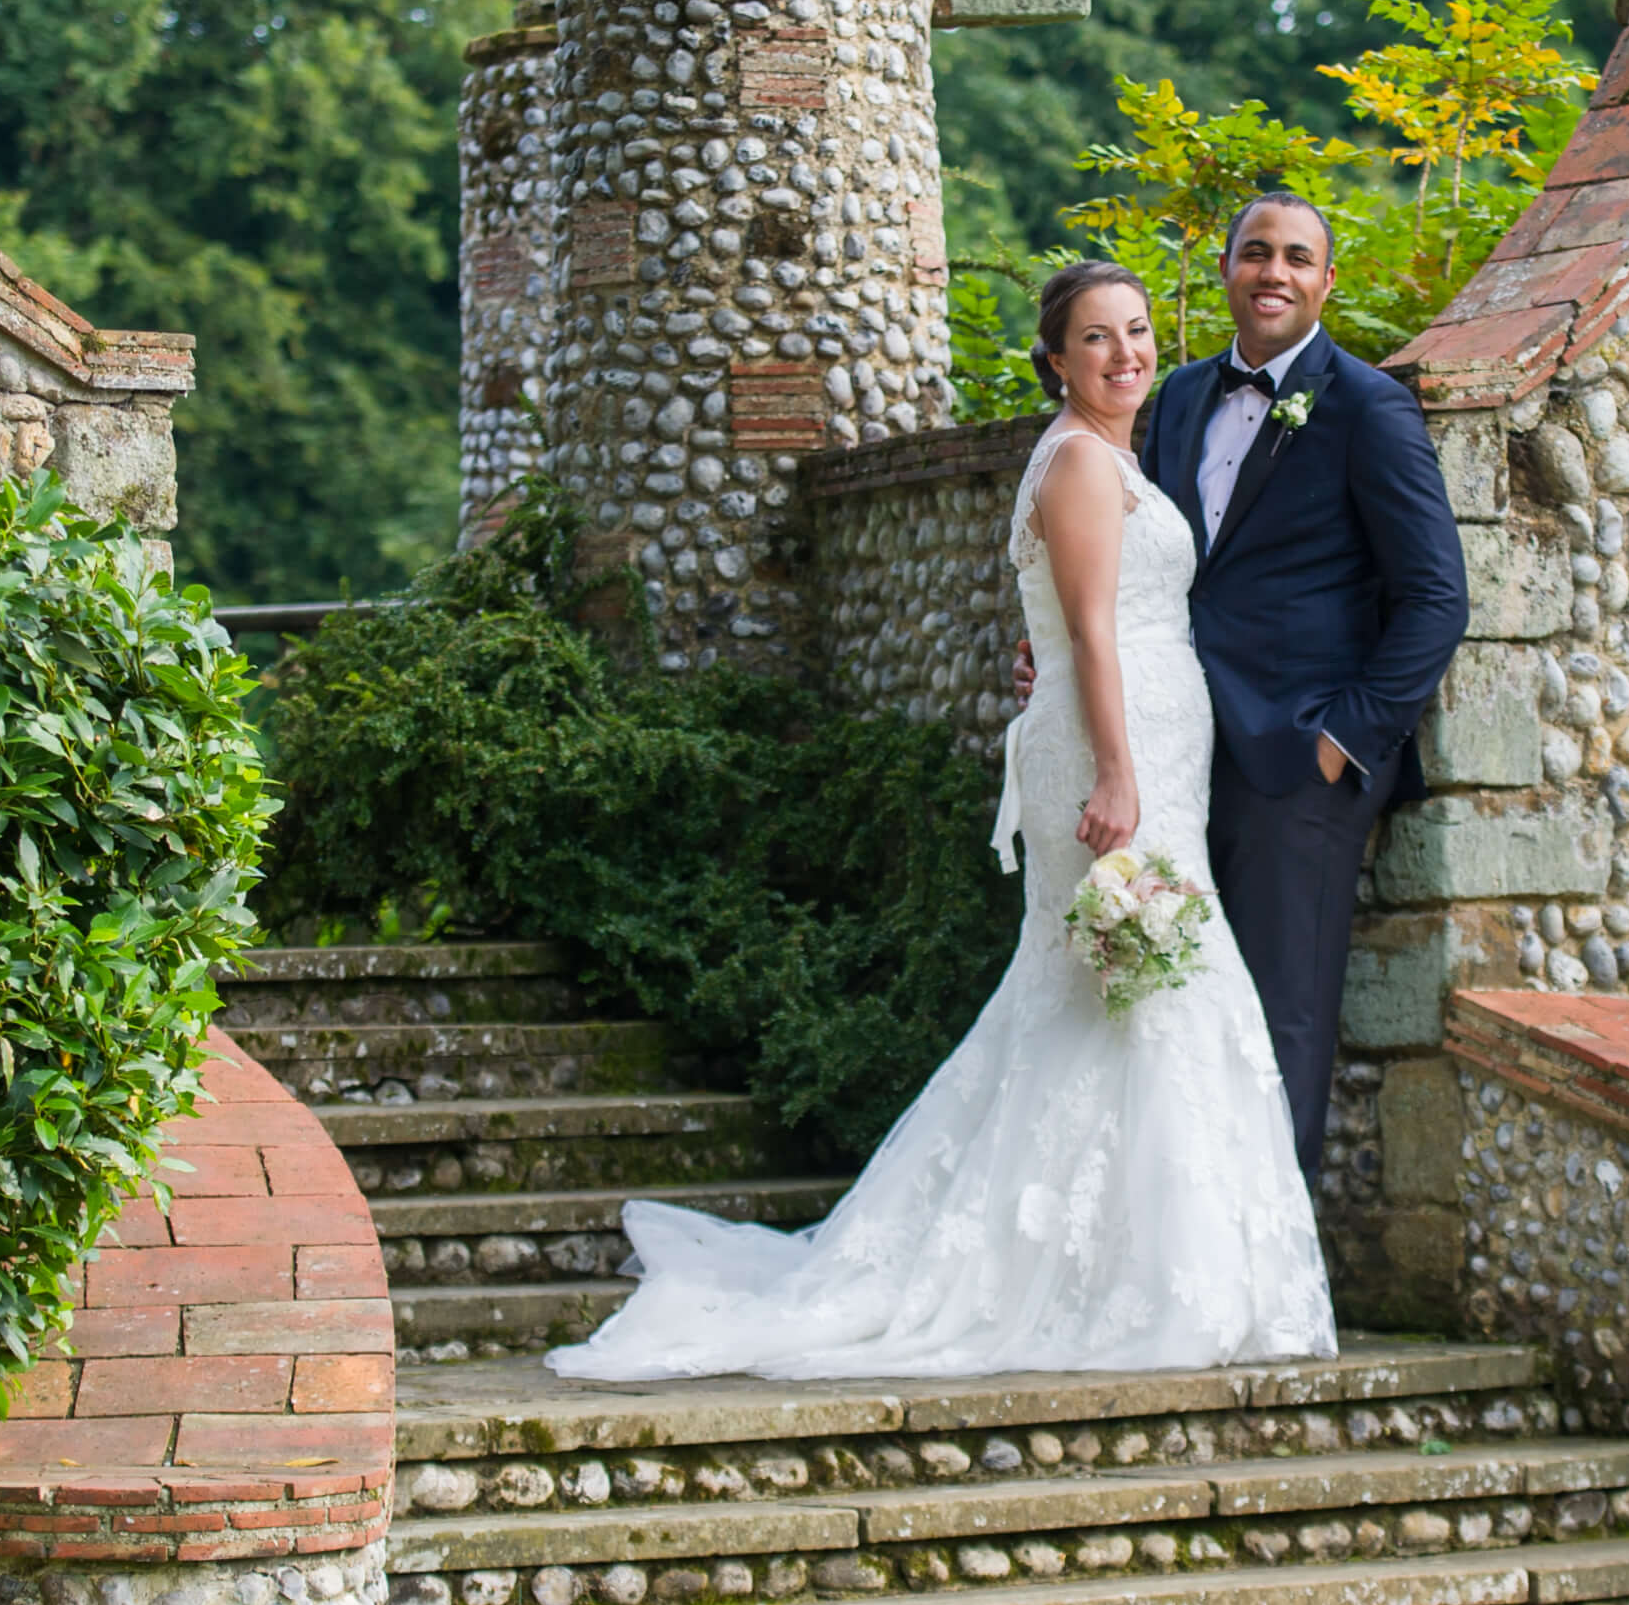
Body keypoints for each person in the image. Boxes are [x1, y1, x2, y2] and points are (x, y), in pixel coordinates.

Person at [547, 261, 1334, 1380]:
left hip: (1159, 746)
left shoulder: (1113, 455)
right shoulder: (1073, 459)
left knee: (1125, 986)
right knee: (1128, 980)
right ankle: (1118, 1279)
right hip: (1119, 759)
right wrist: (1115, 769)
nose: (1126, 353)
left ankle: (1141, 1265)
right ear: (1056, 359)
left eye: (1140, 331)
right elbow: (1094, 633)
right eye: (1098, 338)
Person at [1139, 193, 1472, 1179]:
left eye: (1295, 256)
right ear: (1228, 268)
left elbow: (1435, 595)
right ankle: (1182, 1230)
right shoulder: (1181, 397)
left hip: (1299, 756)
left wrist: (1346, 737)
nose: (1272, 271)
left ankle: (1274, 1273)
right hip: (1177, 741)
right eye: (1254, 252)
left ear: (1327, 280)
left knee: (1282, 1009)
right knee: (1173, 994)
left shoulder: (1368, 404)